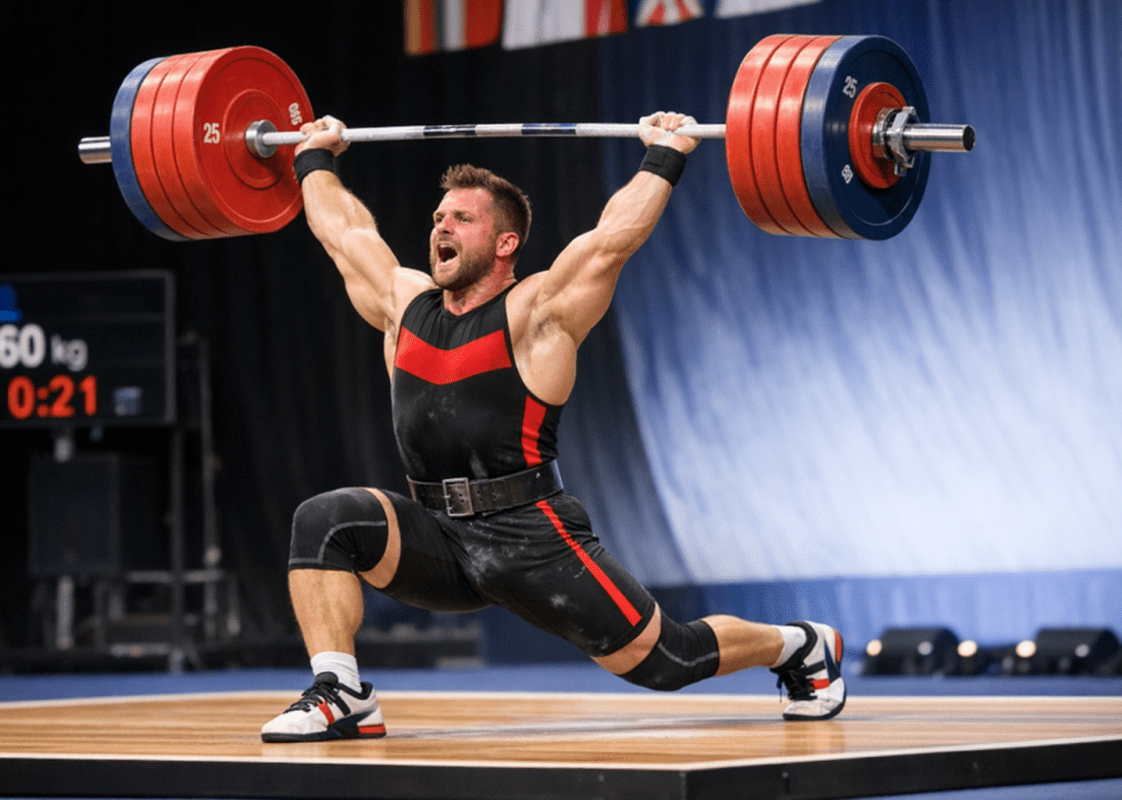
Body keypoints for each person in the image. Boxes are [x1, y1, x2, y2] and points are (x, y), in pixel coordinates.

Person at [261, 112, 846, 743]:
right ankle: (340, 690)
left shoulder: (538, 312)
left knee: (667, 659)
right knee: (326, 521)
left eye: (461, 218)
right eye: (438, 218)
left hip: (530, 535)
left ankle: (798, 645)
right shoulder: (403, 305)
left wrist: (665, 153)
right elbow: (343, 232)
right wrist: (314, 156)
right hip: (439, 535)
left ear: (505, 243)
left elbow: (611, 240)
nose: (441, 227)